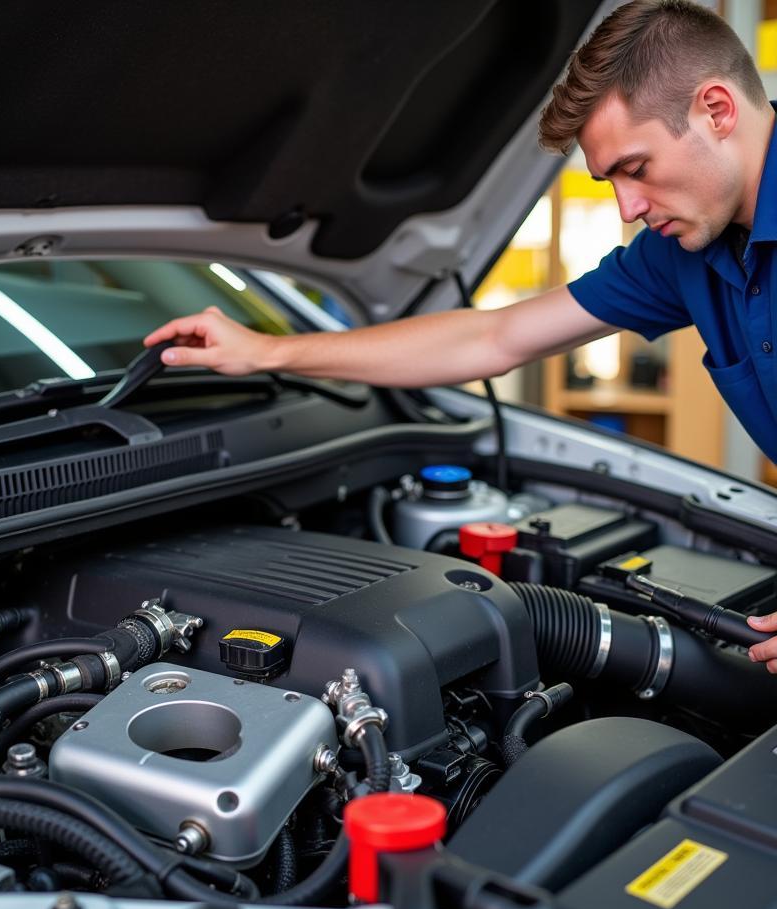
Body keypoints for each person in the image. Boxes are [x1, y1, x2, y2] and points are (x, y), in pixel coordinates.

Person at [143, 0, 777, 670]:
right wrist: (271, 351)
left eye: (637, 167)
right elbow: (494, 337)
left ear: (717, 109)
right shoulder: (681, 253)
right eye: (610, 179)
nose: (627, 208)